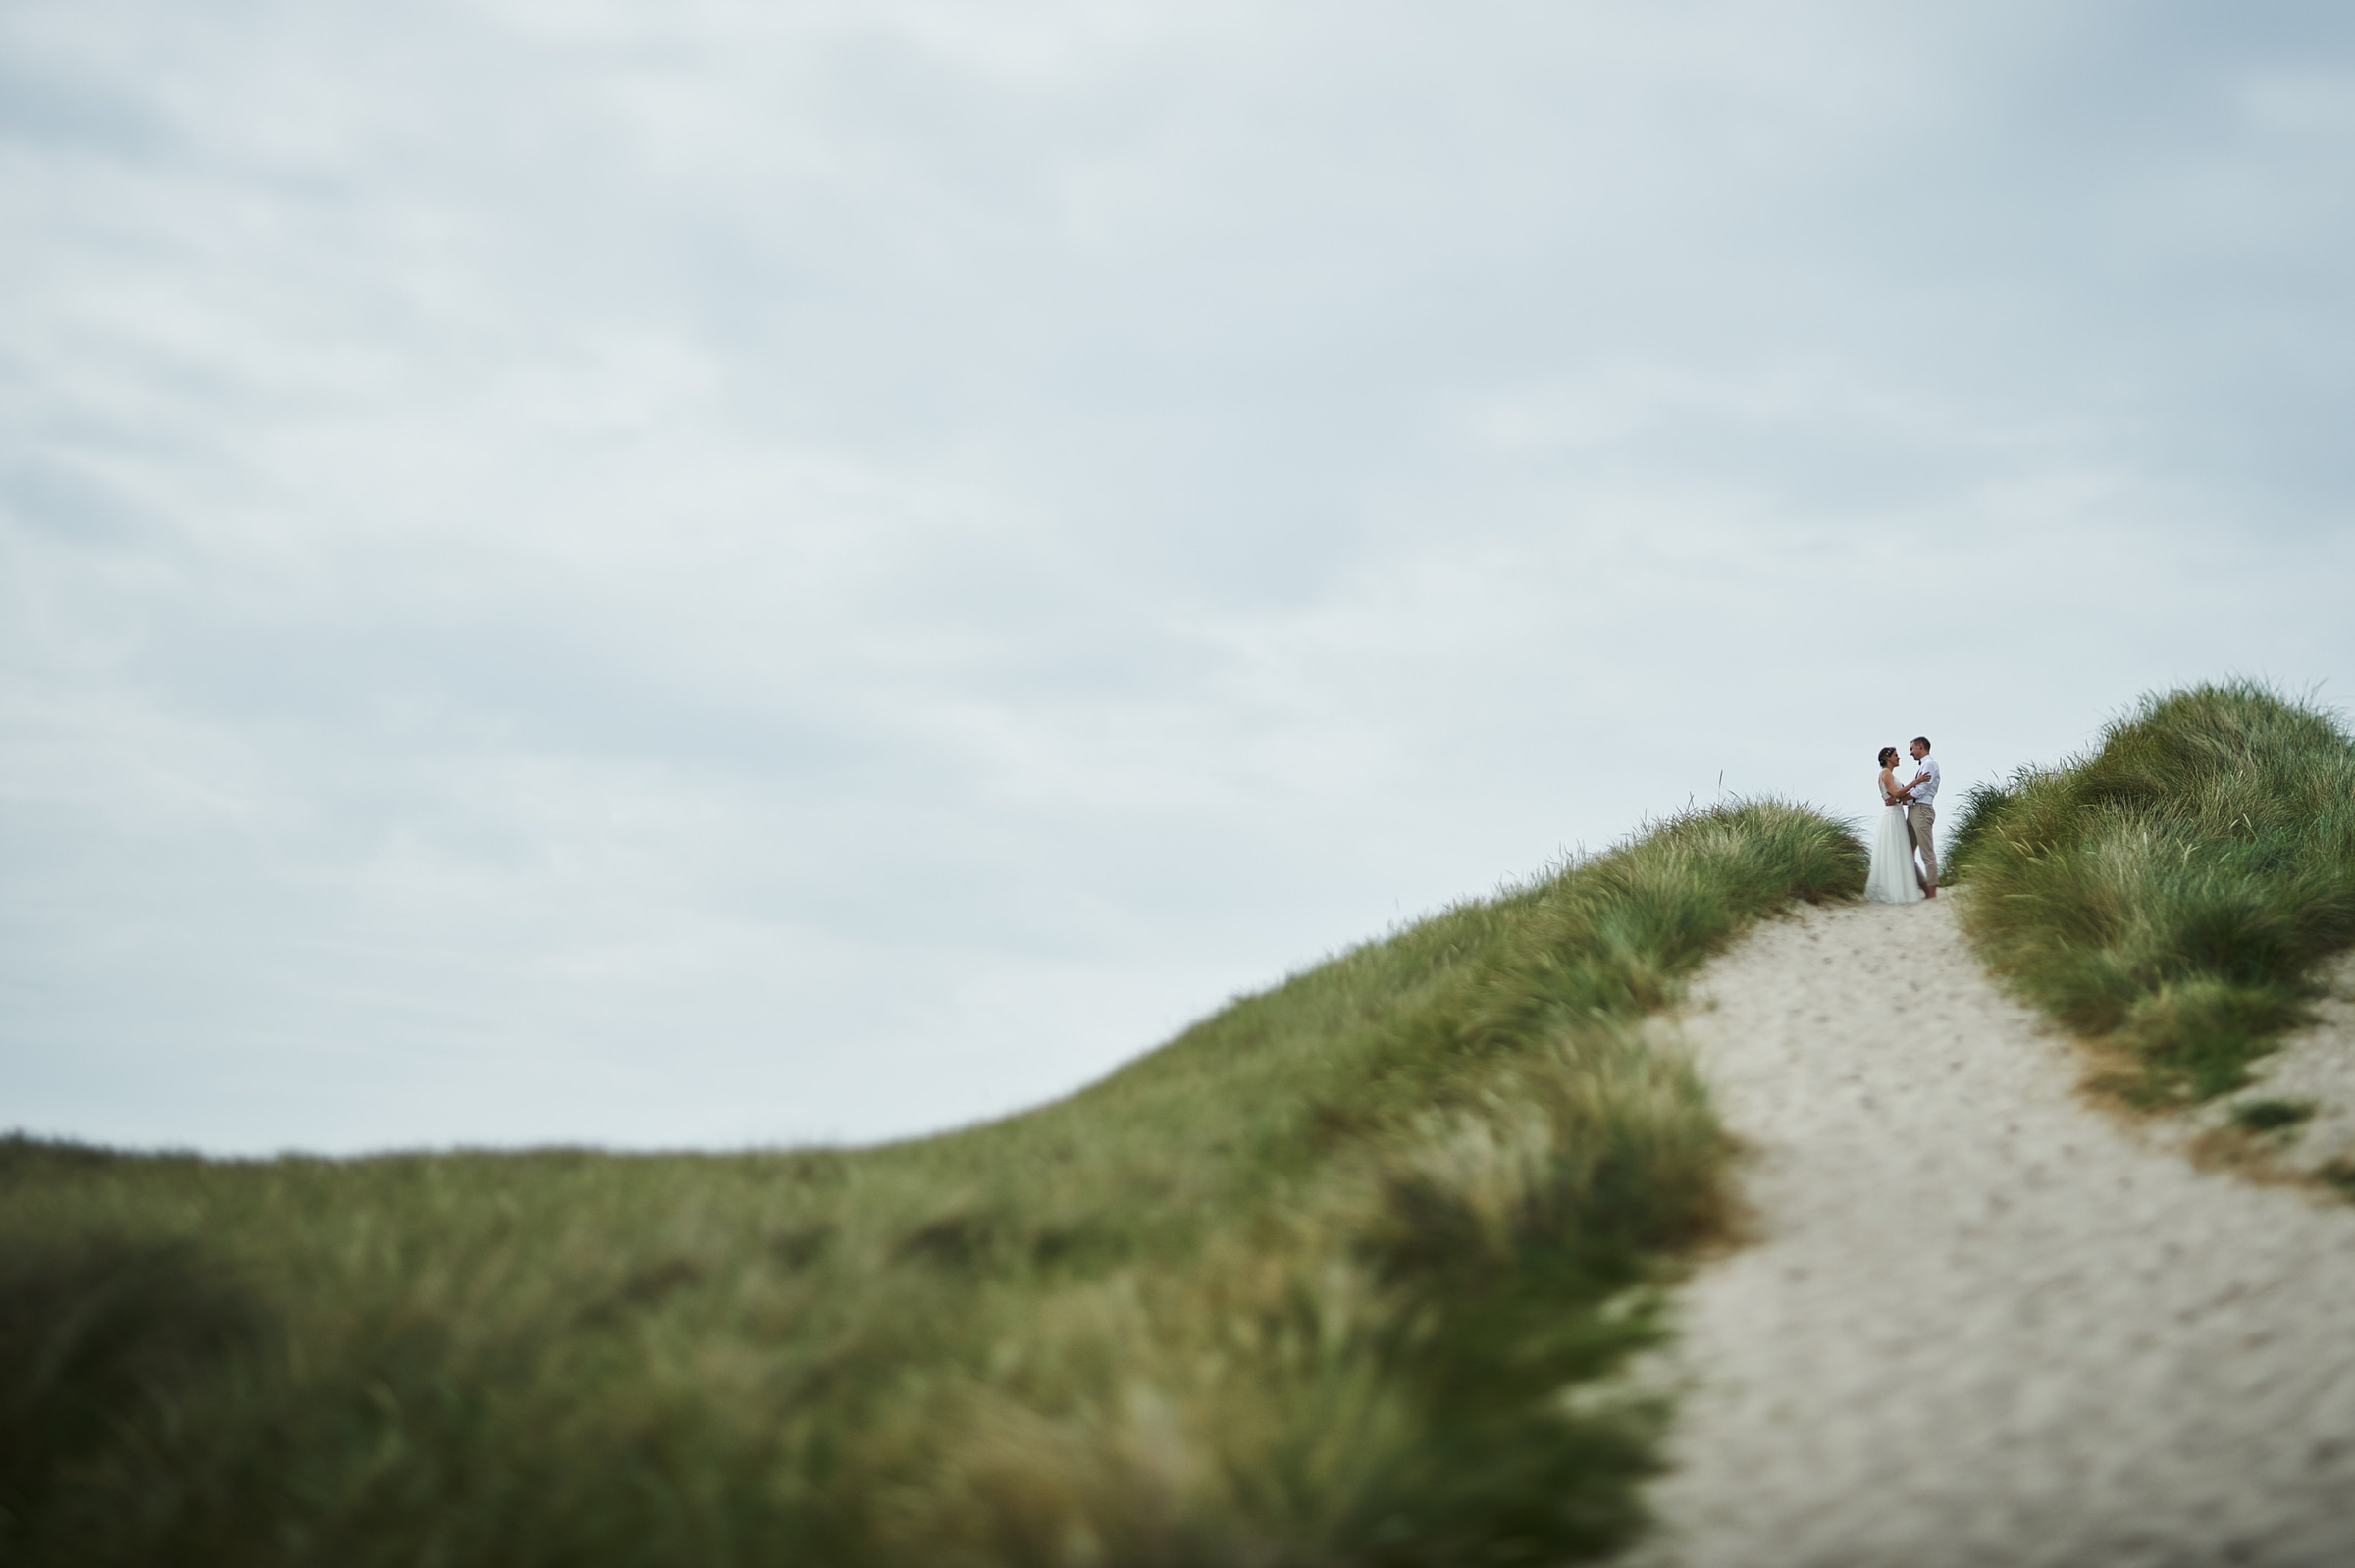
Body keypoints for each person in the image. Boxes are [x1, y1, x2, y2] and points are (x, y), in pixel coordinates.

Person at [1864, 745, 1925, 905]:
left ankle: (1899, 888)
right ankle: (1891, 891)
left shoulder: (1890, 775)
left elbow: (1899, 796)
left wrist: (1902, 797)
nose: (1899, 758)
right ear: (1887, 758)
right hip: (1891, 816)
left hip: (1897, 814)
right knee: (1893, 850)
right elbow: (1897, 793)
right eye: (1896, 755)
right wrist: (1916, 781)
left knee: (1898, 851)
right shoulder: (1885, 773)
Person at [1891, 735, 1941, 897]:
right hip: (1913, 810)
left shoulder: (1930, 764)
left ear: (1920, 746)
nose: (1911, 753)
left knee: (1927, 852)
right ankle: (1923, 887)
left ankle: (1932, 891)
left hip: (1922, 810)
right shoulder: (1924, 766)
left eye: (1912, 748)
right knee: (1907, 852)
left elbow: (1922, 789)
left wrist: (1901, 798)